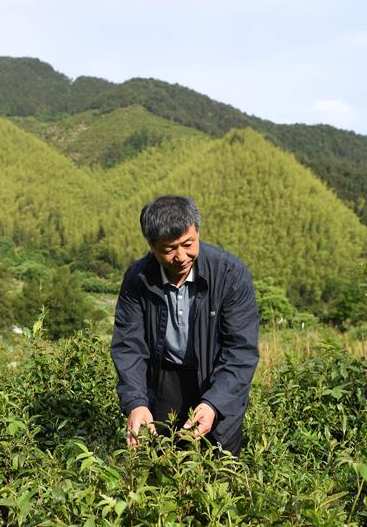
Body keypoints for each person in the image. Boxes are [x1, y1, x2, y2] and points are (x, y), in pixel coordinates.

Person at [110, 195, 259, 456]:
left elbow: (241, 351)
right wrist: (136, 402)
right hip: (163, 381)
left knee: (218, 465)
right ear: (151, 246)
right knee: (159, 461)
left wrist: (214, 403)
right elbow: (129, 345)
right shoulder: (138, 278)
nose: (180, 256)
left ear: (197, 231)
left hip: (217, 379)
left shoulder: (230, 274)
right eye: (168, 250)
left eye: (188, 244)